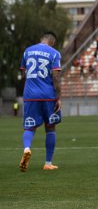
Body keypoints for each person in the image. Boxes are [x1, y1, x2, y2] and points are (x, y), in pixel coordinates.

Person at [19, 31, 62, 172]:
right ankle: (48, 163)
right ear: (52, 42)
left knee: (29, 127)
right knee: (50, 127)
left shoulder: (27, 51)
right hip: (48, 95)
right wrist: (59, 97)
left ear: (41, 39)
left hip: (30, 95)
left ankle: (26, 149)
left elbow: (23, 74)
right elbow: (55, 77)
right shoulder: (54, 53)